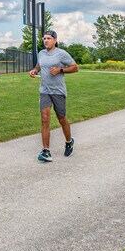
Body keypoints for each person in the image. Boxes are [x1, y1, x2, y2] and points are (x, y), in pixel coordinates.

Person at [29, 30, 79, 162]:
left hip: (58, 91)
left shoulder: (61, 54)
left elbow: (75, 67)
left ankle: (69, 141)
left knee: (61, 118)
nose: (46, 40)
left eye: (49, 38)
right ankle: (46, 151)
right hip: (44, 90)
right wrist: (35, 70)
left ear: (55, 40)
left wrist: (60, 70)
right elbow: (40, 64)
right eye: (44, 38)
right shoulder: (41, 53)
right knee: (45, 118)